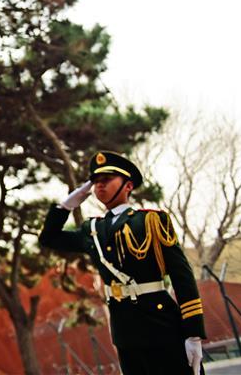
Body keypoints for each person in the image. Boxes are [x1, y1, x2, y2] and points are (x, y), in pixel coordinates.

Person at [38, 151, 206, 375]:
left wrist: (193, 333)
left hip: (161, 325)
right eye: (96, 181)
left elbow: (182, 276)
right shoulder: (93, 230)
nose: (99, 186)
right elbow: (49, 238)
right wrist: (64, 207)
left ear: (128, 185)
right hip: (125, 332)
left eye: (106, 180)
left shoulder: (150, 221)